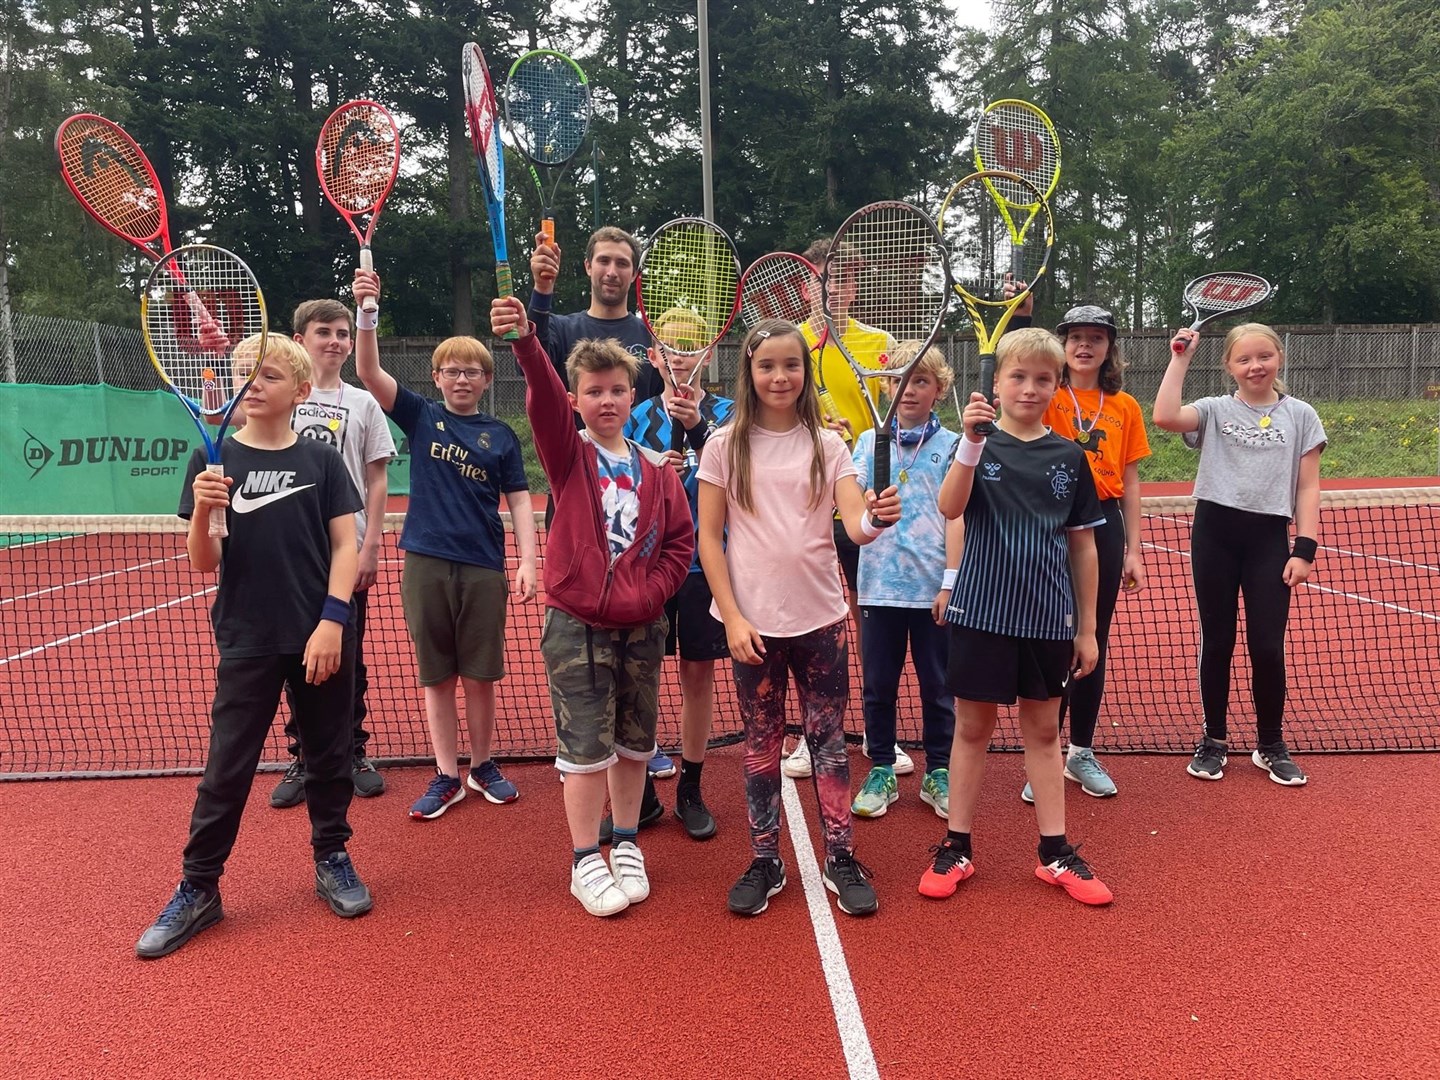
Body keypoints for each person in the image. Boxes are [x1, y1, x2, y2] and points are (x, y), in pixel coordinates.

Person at [136, 334, 371, 958]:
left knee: (328, 754)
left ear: (298, 392)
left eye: (265, 375)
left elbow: (346, 547)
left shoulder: (322, 459)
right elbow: (204, 563)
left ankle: (332, 856)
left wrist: (332, 620)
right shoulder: (211, 462)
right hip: (247, 636)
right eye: (243, 375)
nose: (252, 385)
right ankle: (200, 886)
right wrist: (206, 515)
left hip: (321, 632)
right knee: (226, 767)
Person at [493, 293, 693, 916]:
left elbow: (680, 546)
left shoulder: (658, 471)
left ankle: (627, 840)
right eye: (593, 391)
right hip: (576, 624)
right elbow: (543, 398)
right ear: (578, 400)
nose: (606, 400)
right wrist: (528, 341)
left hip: (643, 625)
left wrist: (649, 594)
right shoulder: (567, 454)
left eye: (616, 390)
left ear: (632, 397)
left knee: (635, 742)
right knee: (584, 749)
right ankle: (586, 858)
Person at [697, 318, 900, 919]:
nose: (780, 376)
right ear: (750, 371)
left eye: (791, 365)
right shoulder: (723, 443)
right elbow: (710, 539)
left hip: (822, 621)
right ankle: (766, 859)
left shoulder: (828, 445)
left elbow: (854, 526)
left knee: (830, 745)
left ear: (804, 373)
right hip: (752, 625)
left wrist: (877, 519)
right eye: (767, 366)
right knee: (759, 748)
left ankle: (841, 855)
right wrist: (731, 617)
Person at [919, 327, 1114, 907]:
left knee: (1044, 733)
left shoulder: (1070, 457)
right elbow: (949, 507)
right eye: (1018, 377)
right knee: (972, 730)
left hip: (1048, 620)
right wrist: (971, 445)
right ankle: (956, 845)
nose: (1030, 388)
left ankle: (1054, 852)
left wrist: (1086, 628)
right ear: (996, 384)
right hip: (981, 613)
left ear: (1057, 387)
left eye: (1043, 379)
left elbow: (1083, 546)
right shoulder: (973, 444)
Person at [352, 269, 537, 821]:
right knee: (437, 676)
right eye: (452, 370)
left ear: (486, 379)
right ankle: (446, 773)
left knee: (481, 675)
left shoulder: (500, 436)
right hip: (426, 563)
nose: (462, 379)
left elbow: (521, 500)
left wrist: (527, 559)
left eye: (473, 371)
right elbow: (367, 370)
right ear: (436, 377)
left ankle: (482, 765)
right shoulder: (420, 416)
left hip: (483, 566)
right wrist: (367, 311)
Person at [528, 226, 675, 793]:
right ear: (587, 267)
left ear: (633, 274)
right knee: (588, 636)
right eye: (603, 261)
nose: (612, 271)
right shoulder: (563, 327)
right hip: (581, 494)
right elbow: (534, 367)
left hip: (647, 501)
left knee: (647, 642)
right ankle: (589, 753)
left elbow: (672, 402)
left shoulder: (651, 332)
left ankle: (635, 750)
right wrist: (539, 293)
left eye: (622, 263)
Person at [1154, 322, 1324, 786]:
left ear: (1279, 359)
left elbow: (1308, 486)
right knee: (1219, 641)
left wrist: (1303, 549)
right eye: (1244, 359)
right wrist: (1180, 358)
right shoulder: (1213, 410)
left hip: (1269, 540)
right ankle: (1214, 740)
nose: (1255, 366)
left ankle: (1270, 744)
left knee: (1267, 646)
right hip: (1215, 536)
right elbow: (1165, 417)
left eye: (1264, 356)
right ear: (1228, 365)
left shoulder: (1301, 415)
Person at [1004, 295, 1151, 802]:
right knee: (1052, 637)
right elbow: (1012, 368)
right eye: (1076, 338)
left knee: (1093, 637)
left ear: (1109, 349)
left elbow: (1130, 479)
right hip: (1048, 520)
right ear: (1063, 346)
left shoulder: (1126, 406)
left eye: (1096, 339)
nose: (1085, 346)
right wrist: (1020, 314)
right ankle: (1044, 754)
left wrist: (1133, 547)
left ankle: (1080, 752)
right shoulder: (1047, 393)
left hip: (1103, 524)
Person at [784, 237, 913, 780]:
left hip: (863, 501)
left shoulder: (879, 344)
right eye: (827, 278)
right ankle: (810, 732)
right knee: (809, 619)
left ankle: (874, 729)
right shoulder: (792, 345)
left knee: (867, 617)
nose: (837, 288)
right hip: (806, 500)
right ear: (809, 284)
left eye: (847, 279)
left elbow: (898, 415)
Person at [267, 299, 396, 808]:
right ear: (300, 340)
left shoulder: (363, 403)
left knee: (348, 658)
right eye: (324, 332)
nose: (336, 341)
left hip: (347, 554)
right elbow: (224, 409)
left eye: (343, 332)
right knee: (294, 657)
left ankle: (352, 753)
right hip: (292, 553)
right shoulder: (280, 393)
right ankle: (303, 756)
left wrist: (370, 546)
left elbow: (378, 478)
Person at [624, 309, 733, 840]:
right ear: (653, 356)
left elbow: (739, 474)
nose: (682, 355)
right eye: (670, 346)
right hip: (645, 566)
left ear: (708, 354)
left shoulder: (731, 413)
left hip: (703, 567)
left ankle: (690, 788)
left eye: (692, 346)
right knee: (639, 676)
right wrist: (650, 471)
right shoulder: (634, 413)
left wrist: (695, 428)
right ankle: (640, 795)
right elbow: (611, 479)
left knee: (698, 676)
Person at [849, 344, 962, 820]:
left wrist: (949, 583)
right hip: (879, 588)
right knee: (878, 686)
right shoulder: (865, 442)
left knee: (939, 686)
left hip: (932, 591)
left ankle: (939, 770)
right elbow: (854, 507)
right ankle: (881, 766)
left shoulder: (954, 445)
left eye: (920, 381)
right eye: (899, 380)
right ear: (885, 386)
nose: (908, 390)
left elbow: (957, 520)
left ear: (938, 389)